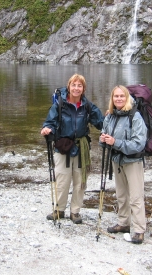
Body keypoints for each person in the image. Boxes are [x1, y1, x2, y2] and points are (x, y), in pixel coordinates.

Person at [41, 74, 103, 224]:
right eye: (74, 85)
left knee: (80, 181)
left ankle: (75, 211)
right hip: (63, 147)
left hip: (82, 147)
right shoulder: (59, 105)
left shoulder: (87, 106)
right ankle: (59, 210)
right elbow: (50, 122)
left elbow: (101, 123)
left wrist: (112, 121)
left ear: (83, 89)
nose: (76, 88)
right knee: (62, 179)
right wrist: (47, 129)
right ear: (68, 87)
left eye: (79, 86)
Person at [99, 85, 147, 244]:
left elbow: (139, 144)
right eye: (115, 96)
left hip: (133, 161)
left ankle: (139, 230)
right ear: (112, 99)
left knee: (135, 196)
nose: (118, 99)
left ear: (127, 98)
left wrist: (115, 142)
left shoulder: (136, 117)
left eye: (122, 96)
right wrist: (103, 141)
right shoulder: (109, 116)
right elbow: (105, 139)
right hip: (116, 160)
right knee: (121, 195)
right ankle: (123, 223)